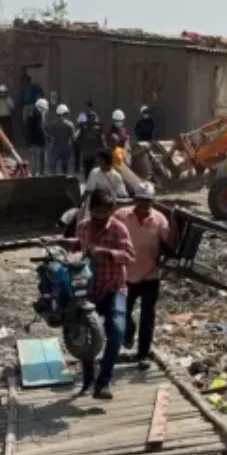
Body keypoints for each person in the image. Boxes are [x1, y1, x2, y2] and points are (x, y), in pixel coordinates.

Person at [64, 187, 135, 399]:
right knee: (87, 334)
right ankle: (88, 380)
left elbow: (130, 256)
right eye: (98, 212)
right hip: (88, 289)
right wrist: (65, 247)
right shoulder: (84, 226)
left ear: (112, 210)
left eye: (106, 212)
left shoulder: (119, 229)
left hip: (114, 286)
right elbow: (79, 245)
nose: (101, 217)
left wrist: (108, 253)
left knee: (116, 330)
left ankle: (104, 380)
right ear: (91, 210)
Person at [117, 182, 174, 369]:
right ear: (135, 200)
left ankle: (143, 355)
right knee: (122, 312)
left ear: (152, 202)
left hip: (150, 274)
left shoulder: (159, 219)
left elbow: (169, 242)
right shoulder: (122, 216)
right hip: (126, 273)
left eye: (147, 202)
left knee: (147, 316)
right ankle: (129, 332)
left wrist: (175, 226)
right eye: (140, 201)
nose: (143, 205)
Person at [77, 108, 107, 178]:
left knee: (89, 174)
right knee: (93, 174)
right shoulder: (97, 129)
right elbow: (103, 143)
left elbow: (79, 141)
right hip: (93, 155)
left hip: (89, 155)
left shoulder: (85, 129)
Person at [47, 104, 75, 175]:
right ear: (66, 114)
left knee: (53, 165)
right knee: (64, 166)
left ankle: (53, 179)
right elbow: (73, 139)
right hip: (66, 147)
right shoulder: (70, 125)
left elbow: (49, 137)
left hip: (56, 147)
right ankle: (64, 179)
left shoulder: (54, 124)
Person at [27, 98, 49, 176]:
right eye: (43, 109)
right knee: (36, 159)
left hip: (41, 142)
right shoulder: (32, 117)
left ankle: (42, 173)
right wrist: (29, 143)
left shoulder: (40, 116)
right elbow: (30, 131)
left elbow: (43, 127)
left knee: (42, 159)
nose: (44, 111)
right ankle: (34, 174)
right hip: (36, 142)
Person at [75, 102, 97, 175]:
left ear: (90, 107)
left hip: (90, 131)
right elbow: (78, 123)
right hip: (83, 131)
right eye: (85, 107)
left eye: (87, 107)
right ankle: (78, 165)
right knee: (76, 141)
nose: (86, 108)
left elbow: (96, 123)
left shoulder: (94, 115)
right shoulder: (82, 114)